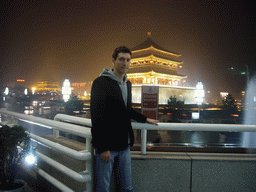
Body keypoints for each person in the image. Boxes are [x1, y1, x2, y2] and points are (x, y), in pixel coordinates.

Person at [90, 46, 159, 192]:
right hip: (107, 147)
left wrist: (145, 119)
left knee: (127, 188)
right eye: (121, 59)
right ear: (113, 61)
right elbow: (96, 117)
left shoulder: (127, 83)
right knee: (103, 188)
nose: (125, 63)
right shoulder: (100, 83)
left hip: (124, 145)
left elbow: (127, 110)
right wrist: (102, 147)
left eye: (128, 60)